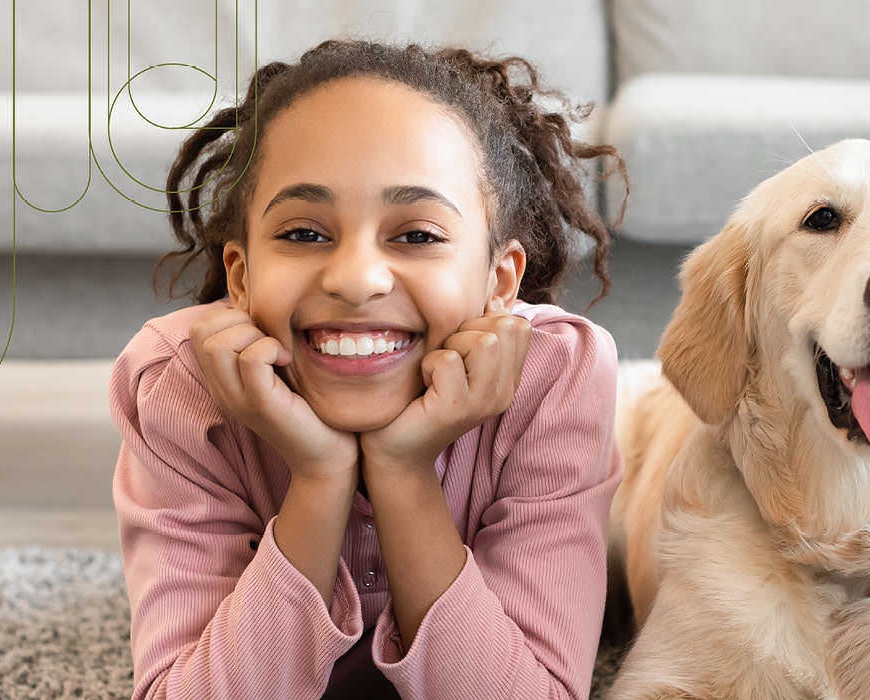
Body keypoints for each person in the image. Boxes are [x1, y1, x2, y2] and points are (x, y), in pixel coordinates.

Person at [106, 38, 627, 699]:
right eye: (303, 233)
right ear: (240, 277)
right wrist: (320, 475)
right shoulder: (177, 384)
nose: (355, 279)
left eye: (416, 235)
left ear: (500, 283)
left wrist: (404, 471)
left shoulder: (556, 378)